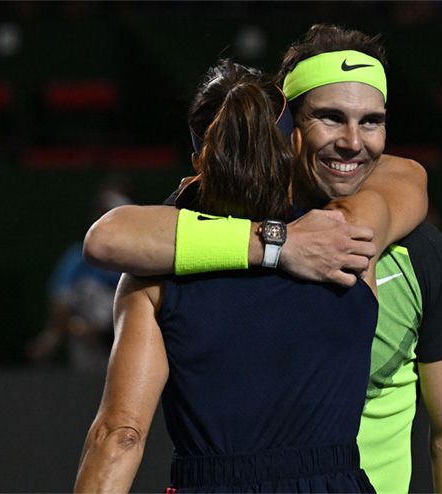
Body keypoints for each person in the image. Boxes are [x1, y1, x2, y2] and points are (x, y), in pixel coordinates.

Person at [83, 24, 442, 493]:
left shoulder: (399, 245)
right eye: (331, 118)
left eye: (372, 121)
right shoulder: (352, 245)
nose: (353, 142)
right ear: (289, 131)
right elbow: (110, 236)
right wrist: (283, 243)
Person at [75, 61, 383, 492]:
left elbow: (119, 436)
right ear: (293, 143)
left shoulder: (153, 279)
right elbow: (410, 178)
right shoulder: (349, 236)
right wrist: (282, 242)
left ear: (199, 159)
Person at [26, 181, 131, 373]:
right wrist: (76, 328)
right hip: (83, 344)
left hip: (124, 339)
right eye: (98, 214)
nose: (100, 220)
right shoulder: (77, 256)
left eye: (107, 214)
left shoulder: (135, 260)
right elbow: (59, 303)